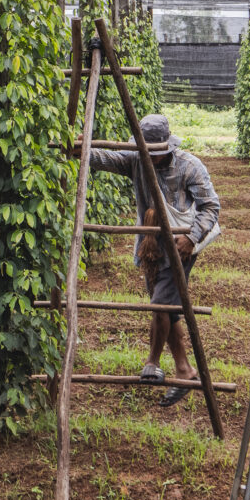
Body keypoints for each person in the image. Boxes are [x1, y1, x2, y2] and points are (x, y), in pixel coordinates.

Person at [89, 114, 221, 406]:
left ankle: (152, 361)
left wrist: (192, 238)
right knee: (167, 309)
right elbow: (107, 158)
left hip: (180, 247)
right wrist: (82, 149)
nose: (152, 157)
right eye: (148, 152)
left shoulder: (189, 166)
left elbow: (211, 206)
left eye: (157, 152)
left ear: (168, 146)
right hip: (150, 245)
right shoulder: (136, 161)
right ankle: (185, 370)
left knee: (160, 303)